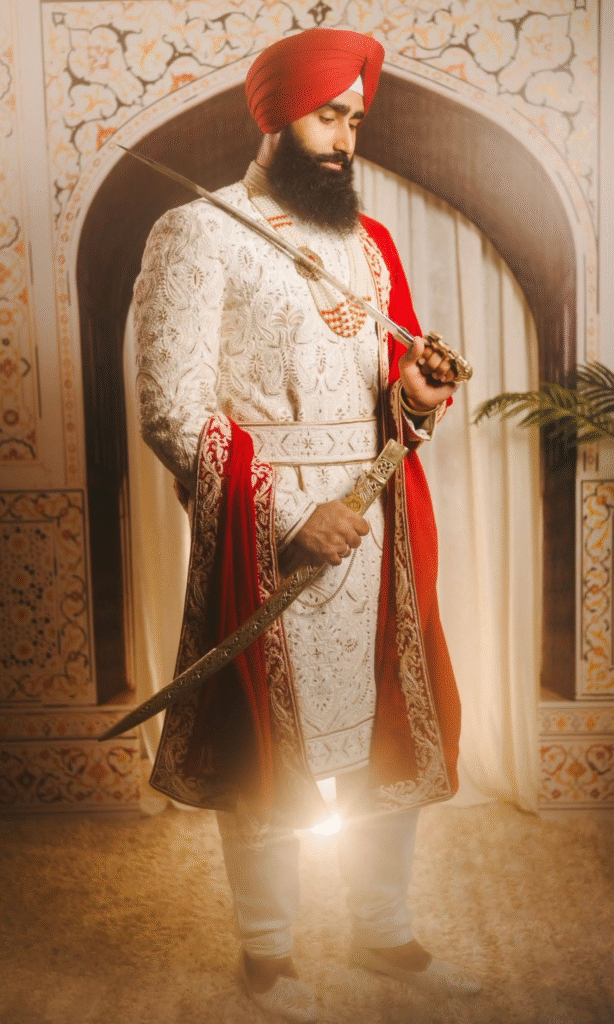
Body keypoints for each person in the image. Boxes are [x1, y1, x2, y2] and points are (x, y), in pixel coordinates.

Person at [133, 27, 479, 1023]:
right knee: (265, 749)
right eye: (328, 117)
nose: (343, 140)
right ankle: (269, 953)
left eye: (354, 121)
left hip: (375, 534)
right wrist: (288, 515)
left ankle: (383, 928)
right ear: (277, 114)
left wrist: (413, 395)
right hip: (266, 535)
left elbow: (394, 402)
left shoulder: (368, 246)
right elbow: (169, 408)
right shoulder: (197, 231)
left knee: (384, 733)